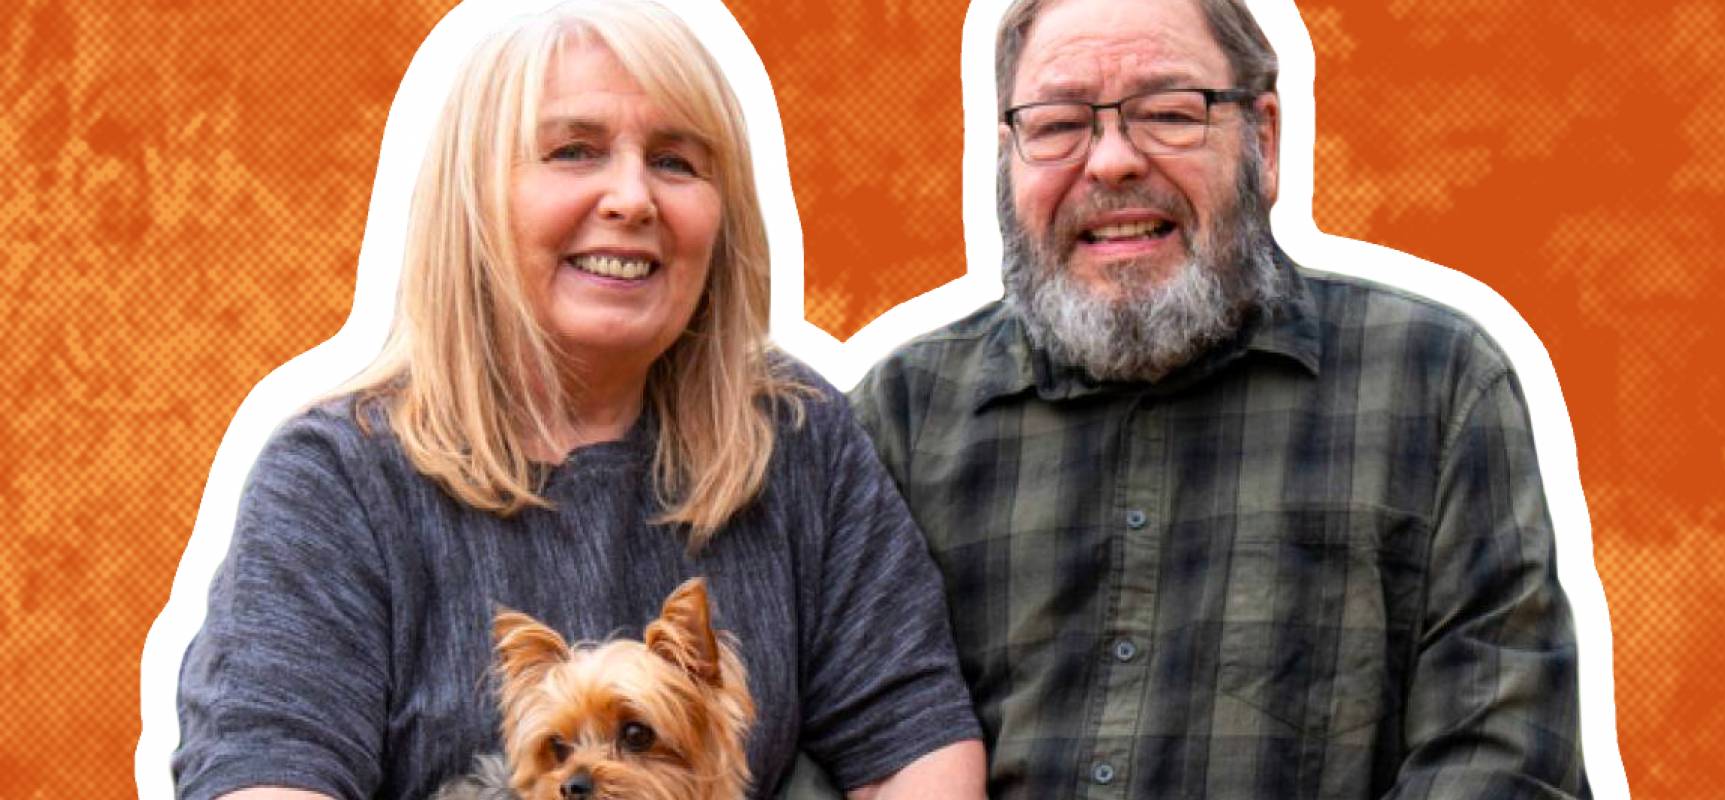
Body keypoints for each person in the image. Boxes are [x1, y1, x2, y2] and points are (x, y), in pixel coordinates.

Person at [170, 1, 984, 797]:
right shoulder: (335, 481)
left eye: (675, 161)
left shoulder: (794, 434)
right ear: (472, 202)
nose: (632, 197)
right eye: (574, 151)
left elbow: (910, 747)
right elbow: (268, 771)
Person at [850, 0, 1590, 796]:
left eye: (1169, 113)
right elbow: (817, 739)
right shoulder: (900, 419)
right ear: (1007, 159)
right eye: (1059, 124)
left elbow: (1500, 764)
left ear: (1264, 143)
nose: (1111, 162)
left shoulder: (1436, 383)